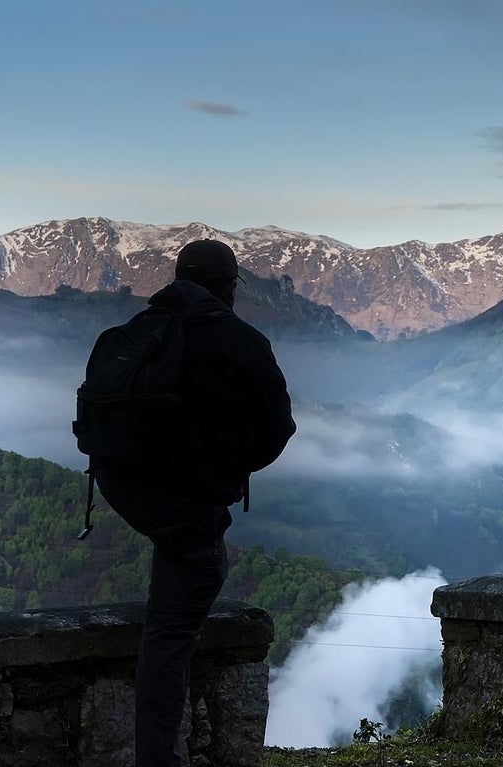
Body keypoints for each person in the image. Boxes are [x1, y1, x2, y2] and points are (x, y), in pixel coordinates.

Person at [93, 239, 296, 767]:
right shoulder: (241, 342)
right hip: (185, 503)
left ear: (179, 278)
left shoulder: (145, 330)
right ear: (230, 287)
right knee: (173, 627)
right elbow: (279, 428)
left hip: (125, 488)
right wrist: (228, 470)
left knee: (178, 572)